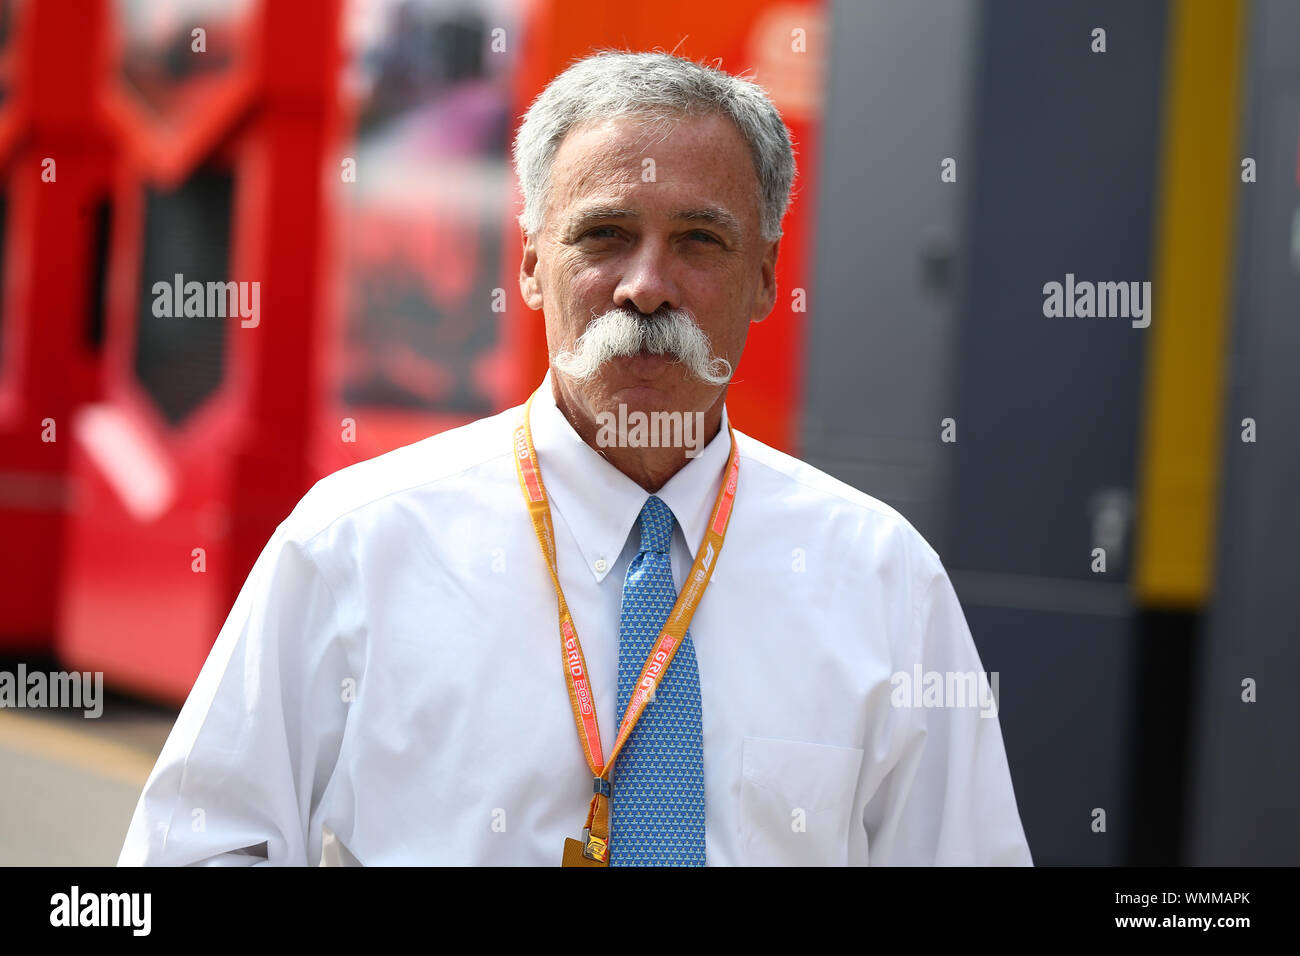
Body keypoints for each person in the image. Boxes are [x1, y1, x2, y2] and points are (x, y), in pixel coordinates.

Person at [118, 50, 1032, 866]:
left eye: (699, 241)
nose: (646, 286)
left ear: (764, 276)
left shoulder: (882, 578)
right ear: (528, 263)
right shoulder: (356, 542)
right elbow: (193, 850)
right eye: (604, 235)